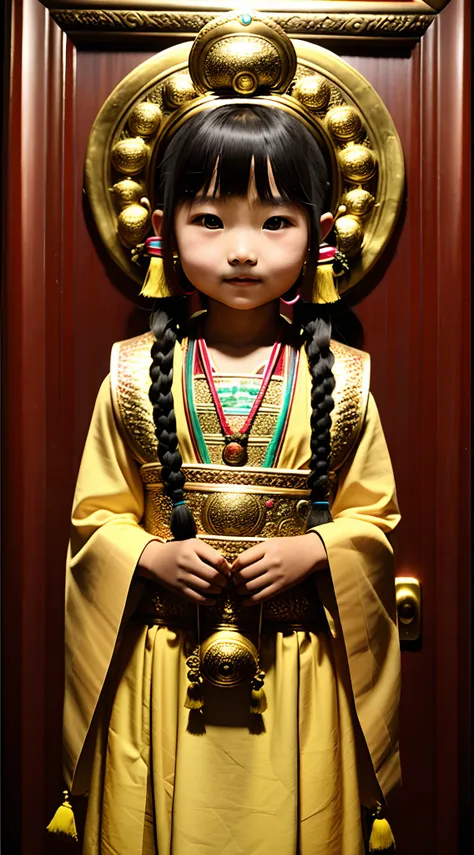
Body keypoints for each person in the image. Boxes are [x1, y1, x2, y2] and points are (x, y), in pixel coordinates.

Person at [53, 24, 401, 855]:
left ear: (319, 232)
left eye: (274, 221)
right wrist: (149, 556)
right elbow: (94, 522)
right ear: (162, 228)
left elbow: (374, 523)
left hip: (298, 665)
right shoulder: (132, 374)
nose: (242, 250)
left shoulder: (345, 381)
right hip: (164, 665)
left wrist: (320, 548)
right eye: (210, 219)